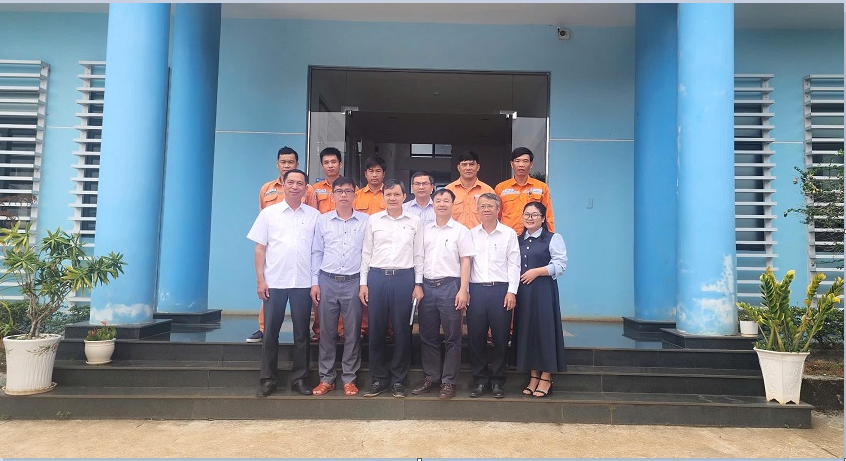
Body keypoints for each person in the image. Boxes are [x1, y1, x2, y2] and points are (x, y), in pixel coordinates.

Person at [248, 169, 319, 397]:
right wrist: (260, 280)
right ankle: (268, 380)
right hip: (274, 282)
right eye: (291, 183)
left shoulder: (314, 216)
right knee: (270, 332)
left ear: (306, 188)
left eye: (300, 183)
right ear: (284, 185)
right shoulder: (269, 214)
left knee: (302, 333)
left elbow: (317, 252)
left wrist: (315, 282)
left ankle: (300, 379)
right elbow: (260, 249)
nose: (295, 187)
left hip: (303, 283)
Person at [359, 179, 424, 398]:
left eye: (397, 194)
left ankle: (398, 380)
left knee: (402, 330)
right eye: (388, 194)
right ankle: (379, 379)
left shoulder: (415, 221)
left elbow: (418, 255)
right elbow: (366, 253)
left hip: (404, 278)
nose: (393, 198)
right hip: (377, 277)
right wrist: (363, 283)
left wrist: (418, 283)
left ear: (404, 196)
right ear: (383, 197)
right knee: (376, 329)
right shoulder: (373, 220)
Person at [247, 146, 317, 343]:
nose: (287, 165)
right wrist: (260, 279)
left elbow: (314, 239)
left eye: (291, 162)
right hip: (275, 272)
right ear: (277, 164)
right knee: (270, 327)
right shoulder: (267, 195)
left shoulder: (312, 204)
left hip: (302, 275)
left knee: (302, 331)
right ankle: (262, 329)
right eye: (283, 162)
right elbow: (260, 244)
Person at [411, 188, 474, 400]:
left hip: (450, 286)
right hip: (427, 287)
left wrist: (463, 290)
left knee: (452, 336)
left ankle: (448, 381)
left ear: (452, 204)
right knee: (427, 335)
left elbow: (466, 261)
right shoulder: (425, 230)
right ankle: (432, 377)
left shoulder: (461, 231)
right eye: (438, 200)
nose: (442, 204)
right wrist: (418, 284)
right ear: (433, 204)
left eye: (446, 200)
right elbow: (419, 258)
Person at [310, 176, 368, 396]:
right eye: (339, 191)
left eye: (348, 191)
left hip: (353, 281)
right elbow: (317, 252)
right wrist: (315, 282)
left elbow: (367, 254)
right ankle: (326, 378)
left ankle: (349, 378)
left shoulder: (365, 221)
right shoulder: (322, 221)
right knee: (327, 332)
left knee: (352, 332)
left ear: (355, 195)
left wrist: (363, 283)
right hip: (327, 280)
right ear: (333, 195)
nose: (344, 195)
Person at [465, 193, 520, 399]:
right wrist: (465, 291)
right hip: (476, 291)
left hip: (501, 290)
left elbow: (514, 264)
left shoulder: (508, 234)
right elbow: (466, 264)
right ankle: (480, 380)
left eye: (490, 206)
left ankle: (498, 381)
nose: (486, 209)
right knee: (476, 337)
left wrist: (512, 291)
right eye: (482, 206)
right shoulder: (470, 234)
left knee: (501, 336)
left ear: (498, 209)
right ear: (477, 210)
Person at [513, 201, 567, 398]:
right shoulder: (517, 240)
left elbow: (560, 265)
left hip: (544, 291)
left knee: (544, 331)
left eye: (535, 215)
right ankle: (533, 375)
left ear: (543, 218)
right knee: (528, 331)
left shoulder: (552, 238)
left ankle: (546, 376)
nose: (530, 218)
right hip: (523, 292)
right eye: (527, 214)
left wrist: (537, 271)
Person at [311, 147, 351, 343]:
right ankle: (320, 330)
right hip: (323, 240)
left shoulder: (350, 187)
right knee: (322, 294)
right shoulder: (314, 189)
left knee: (345, 297)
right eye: (326, 163)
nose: (330, 166)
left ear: (340, 164)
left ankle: (342, 330)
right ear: (322, 165)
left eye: (334, 162)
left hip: (345, 239)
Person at [494, 147, 555, 236]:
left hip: (533, 236)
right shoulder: (501, 188)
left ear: (531, 164)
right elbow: (496, 215)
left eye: (525, 161)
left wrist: (550, 237)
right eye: (517, 161)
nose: (521, 165)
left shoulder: (541, 187)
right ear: (511, 164)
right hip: (507, 236)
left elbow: (548, 215)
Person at [445, 151, 495, 229]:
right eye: (464, 165)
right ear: (459, 168)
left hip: (481, 234)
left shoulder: (488, 191)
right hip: (455, 235)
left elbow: (494, 216)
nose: (468, 168)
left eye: (471, 164)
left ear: (478, 167)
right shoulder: (448, 190)